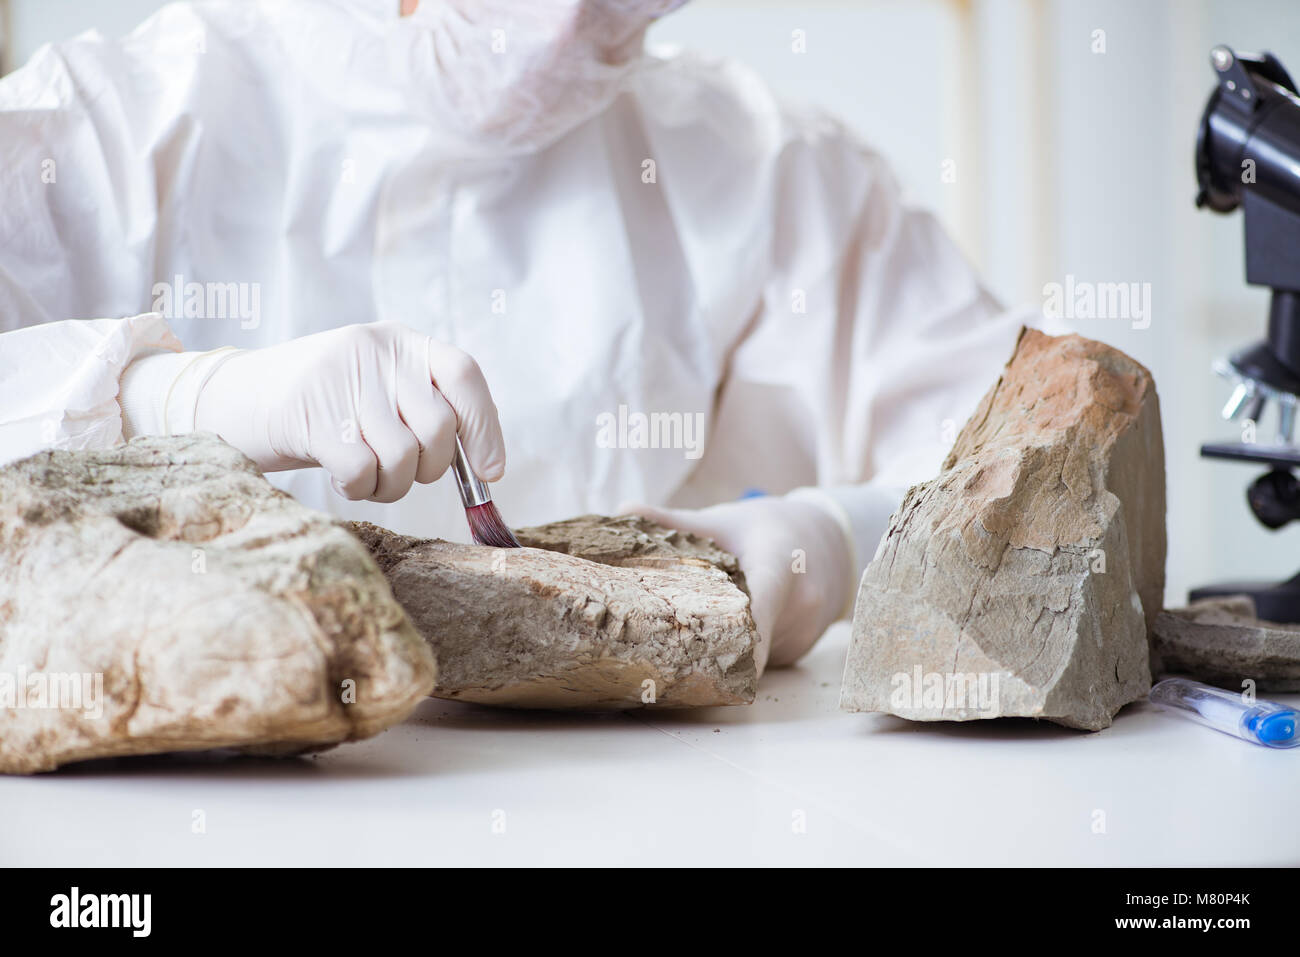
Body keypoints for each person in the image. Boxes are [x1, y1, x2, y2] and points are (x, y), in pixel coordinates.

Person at [0, 0, 1026, 673]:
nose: (564, 15)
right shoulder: (103, 130)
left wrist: (837, 540)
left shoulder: (771, 167)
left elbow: (1038, 458)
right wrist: (169, 401)